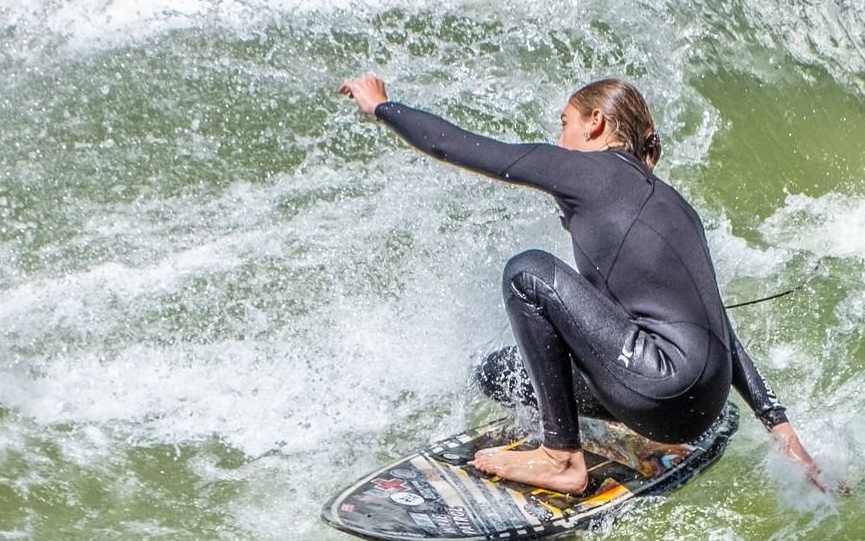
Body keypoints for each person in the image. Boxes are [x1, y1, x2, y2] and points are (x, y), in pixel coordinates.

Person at [338, 74, 824, 494]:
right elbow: (715, 324)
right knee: (502, 373)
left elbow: (460, 147)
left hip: (658, 391)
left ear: (596, 122)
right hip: (701, 406)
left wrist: (382, 106)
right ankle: (571, 434)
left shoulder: (590, 170)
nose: (561, 137)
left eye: (565, 123)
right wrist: (783, 432)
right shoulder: (674, 205)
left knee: (527, 273)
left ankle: (561, 458)